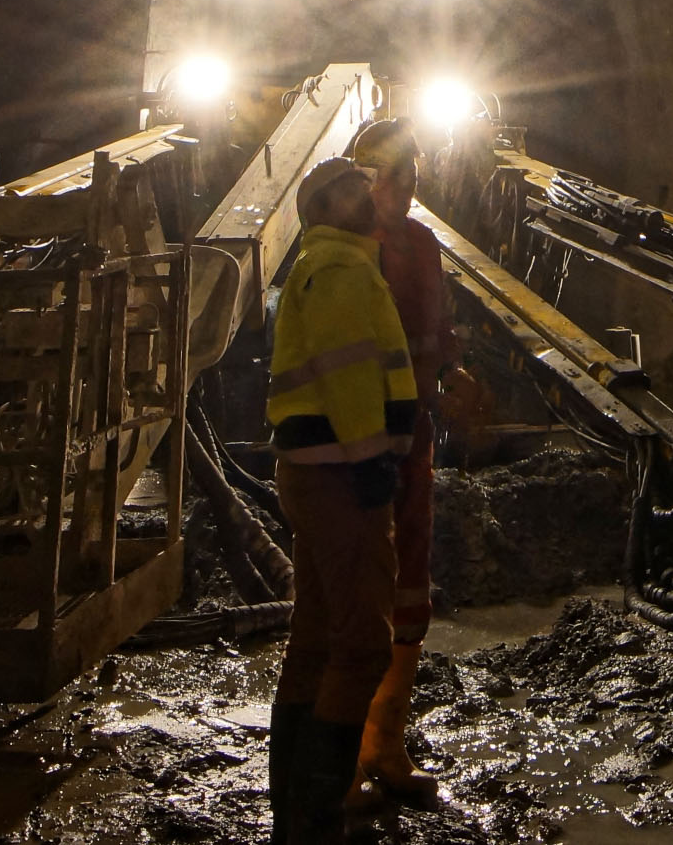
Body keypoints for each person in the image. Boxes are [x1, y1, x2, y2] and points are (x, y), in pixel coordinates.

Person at [263, 157, 417, 844]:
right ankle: (315, 816)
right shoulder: (344, 269)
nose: (368, 194)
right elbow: (350, 374)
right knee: (360, 645)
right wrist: (371, 462)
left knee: (316, 638)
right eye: (350, 188)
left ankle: (294, 813)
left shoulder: (334, 264)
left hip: (316, 470)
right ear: (321, 207)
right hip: (338, 475)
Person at [340, 120, 449, 809]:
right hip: (355, 444)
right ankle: (345, 753)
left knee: (411, 579)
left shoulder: (423, 246)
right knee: (355, 592)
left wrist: (454, 378)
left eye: (408, 175)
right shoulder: (344, 253)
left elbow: (434, 334)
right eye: (387, 175)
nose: (402, 188)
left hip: (412, 435)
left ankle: (387, 740)